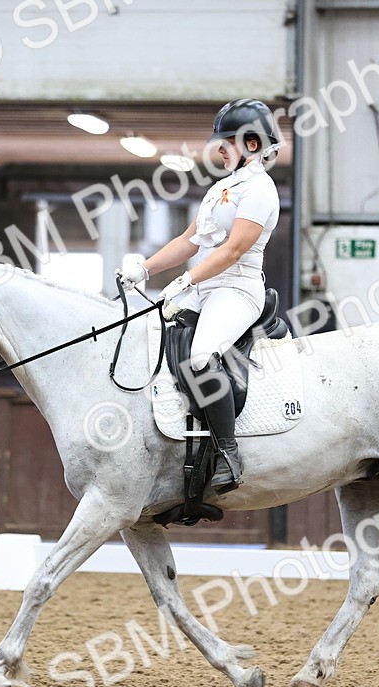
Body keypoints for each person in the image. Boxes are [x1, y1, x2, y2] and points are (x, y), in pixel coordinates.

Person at [119, 98, 282, 494]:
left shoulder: (260, 189)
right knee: (152, 338)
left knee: (200, 357)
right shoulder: (222, 189)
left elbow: (233, 250)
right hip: (204, 289)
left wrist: (186, 281)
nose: (219, 149)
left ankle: (228, 453)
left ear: (253, 145)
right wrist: (145, 269)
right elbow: (189, 241)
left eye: (227, 142)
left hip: (236, 290)